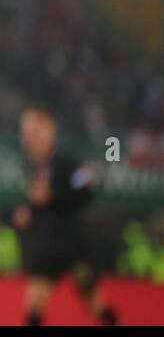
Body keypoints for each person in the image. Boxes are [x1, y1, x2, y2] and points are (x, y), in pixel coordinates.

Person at [13, 107, 117, 325]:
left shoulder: (64, 163)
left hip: (72, 245)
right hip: (48, 247)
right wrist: (29, 210)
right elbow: (37, 201)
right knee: (34, 304)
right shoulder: (31, 165)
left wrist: (54, 196)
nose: (27, 138)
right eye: (25, 132)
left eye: (32, 131)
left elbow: (86, 192)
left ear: (48, 131)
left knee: (94, 302)